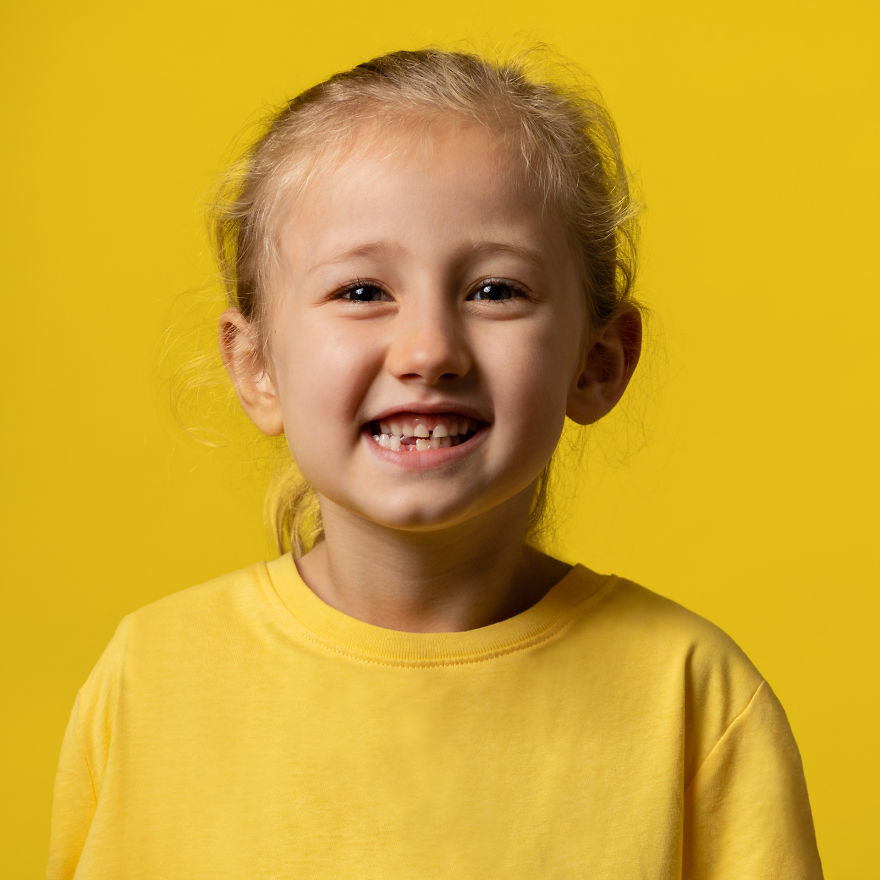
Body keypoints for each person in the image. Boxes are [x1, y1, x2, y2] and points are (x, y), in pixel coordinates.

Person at [47, 49, 823, 878]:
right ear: (256, 369)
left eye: (495, 291)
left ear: (597, 363)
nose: (428, 351)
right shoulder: (151, 675)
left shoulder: (692, 696)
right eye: (360, 291)